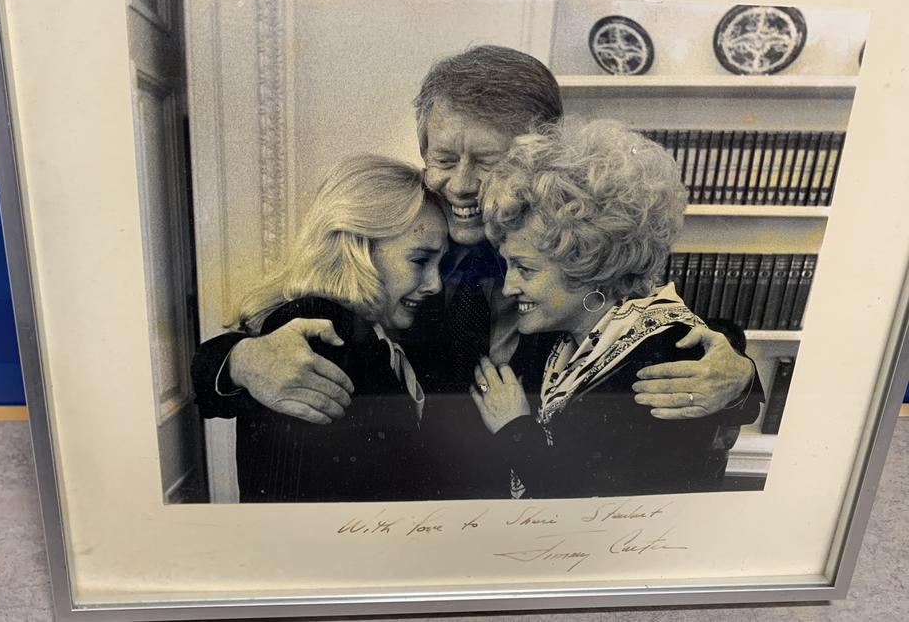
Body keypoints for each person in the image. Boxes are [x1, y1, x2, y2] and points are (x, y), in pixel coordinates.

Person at [191, 46, 761, 498]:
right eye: (442, 158)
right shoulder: (399, 236)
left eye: (486, 163)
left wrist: (738, 377)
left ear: (537, 163)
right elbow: (284, 320)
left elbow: (664, 331)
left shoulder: (579, 241)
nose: (460, 185)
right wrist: (239, 361)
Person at [472, 122, 760, 498]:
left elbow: (604, 516)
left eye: (524, 269)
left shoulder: (667, 356)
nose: (509, 286)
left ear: (587, 264)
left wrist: (514, 428)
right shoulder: (560, 332)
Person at [192, 155, 448, 500]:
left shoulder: (374, 329)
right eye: (420, 260)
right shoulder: (318, 326)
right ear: (357, 248)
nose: (436, 284)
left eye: (440, 263)